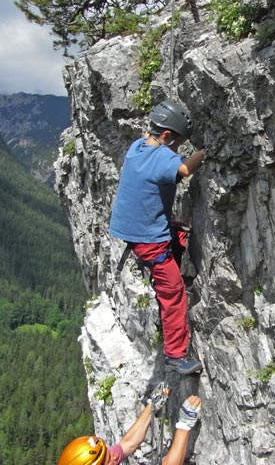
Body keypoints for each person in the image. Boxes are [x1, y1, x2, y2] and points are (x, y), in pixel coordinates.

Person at [109, 100, 205, 375]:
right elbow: (185, 170)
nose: (177, 150)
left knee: (174, 240)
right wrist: (205, 151)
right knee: (173, 293)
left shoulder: (137, 147)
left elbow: (159, 164)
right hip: (150, 240)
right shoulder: (163, 157)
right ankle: (175, 356)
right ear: (165, 137)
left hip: (136, 233)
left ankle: (171, 266)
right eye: (177, 143)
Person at [58, 386, 202, 465]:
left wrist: (151, 406)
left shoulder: (106, 460)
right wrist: (184, 425)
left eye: (109, 454)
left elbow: (128, 444)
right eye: (109, 461)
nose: (114, 457)